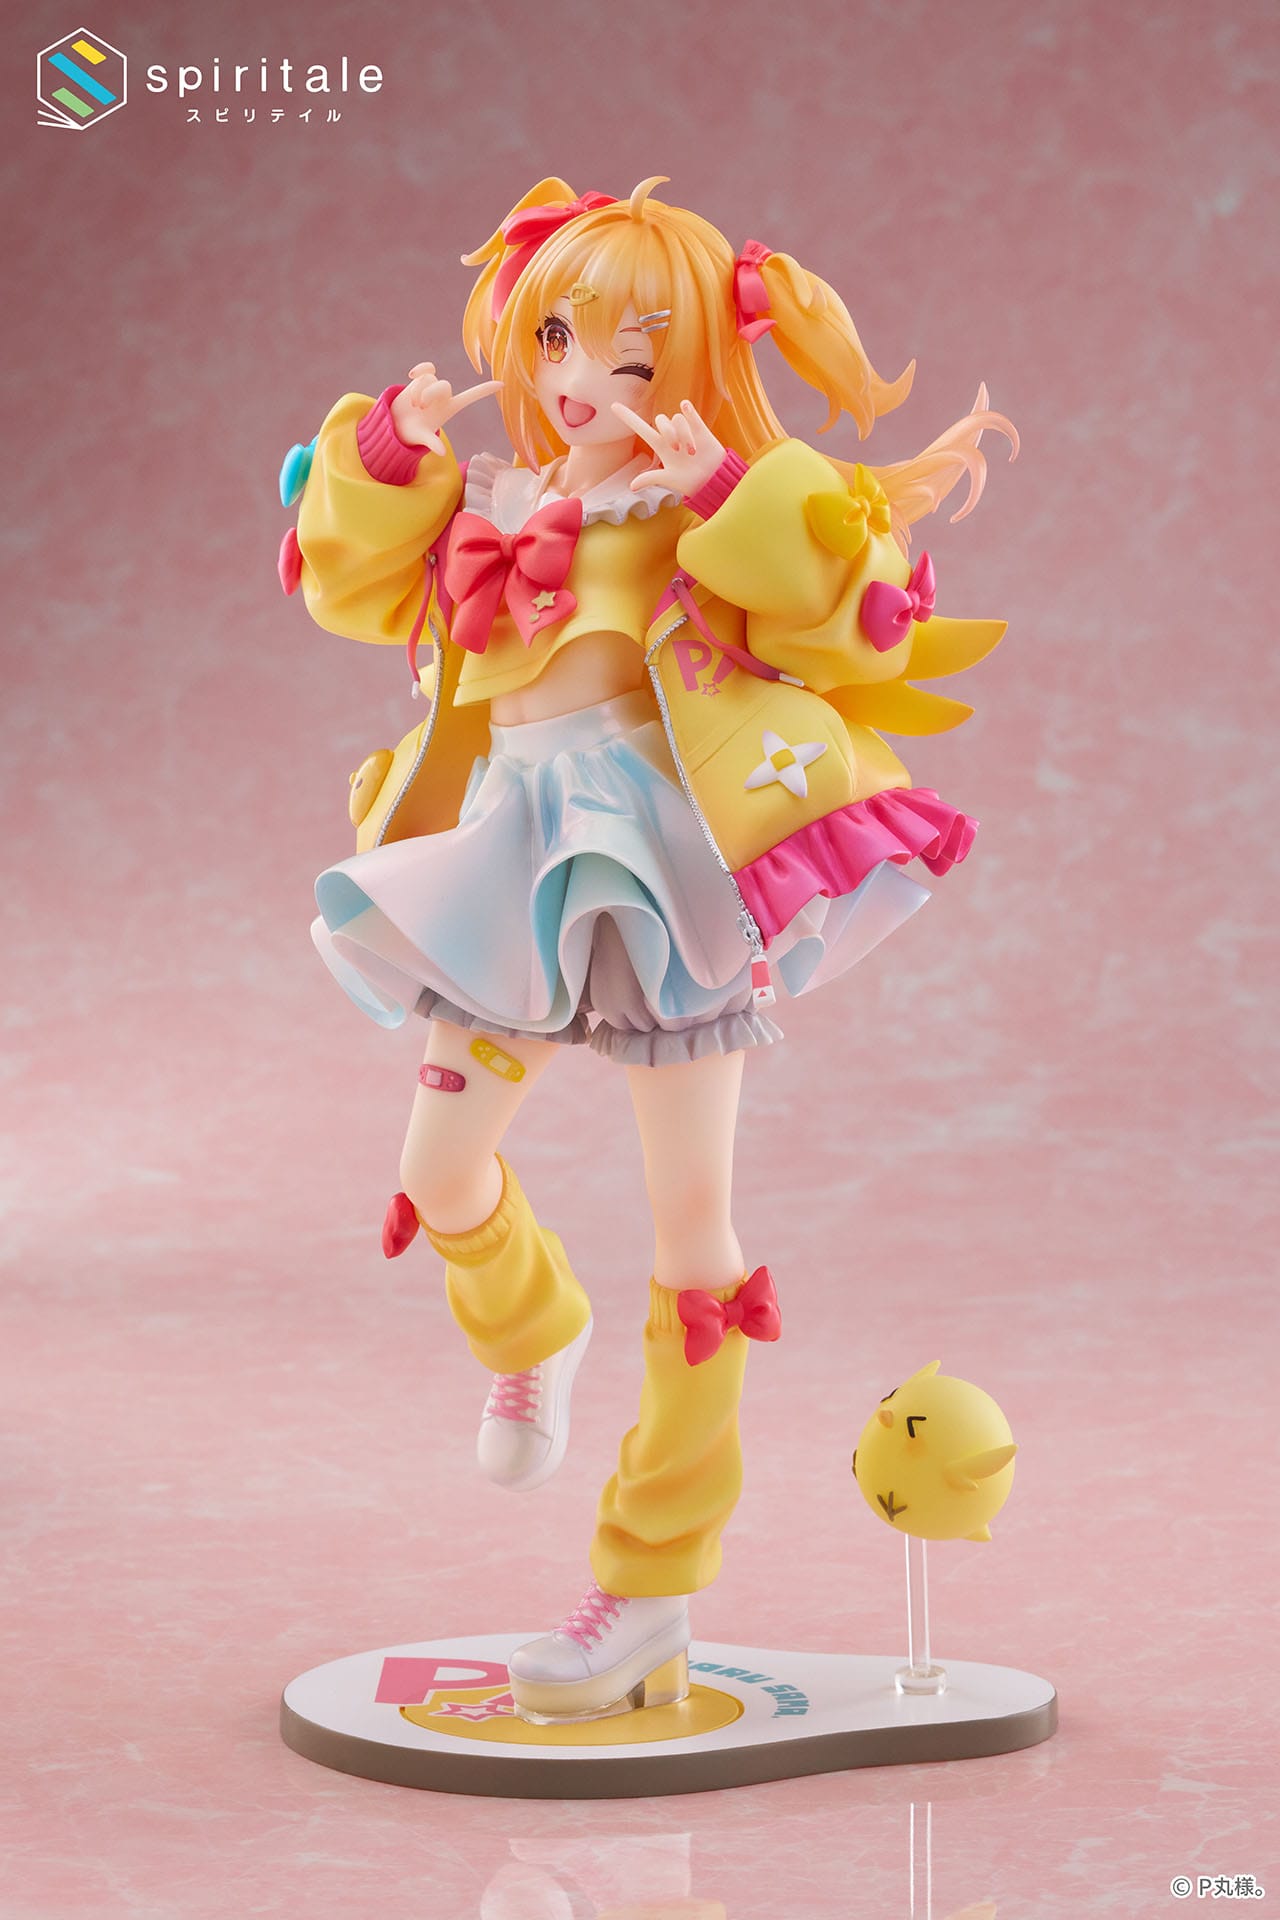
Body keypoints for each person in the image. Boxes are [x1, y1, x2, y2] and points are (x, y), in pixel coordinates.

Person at [283, 174, 1016, 1724]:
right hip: (508, 865)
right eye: (560, 340)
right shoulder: (498, 500)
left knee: (695, 1238)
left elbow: (850, 608)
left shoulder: (694, 504)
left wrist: (730, 490)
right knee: (441, 1172)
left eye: (634, 354)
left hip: (661, 876)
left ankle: (651, 1588)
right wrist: (391, 461)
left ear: (688, 366)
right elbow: (353, 591)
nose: (584, 381)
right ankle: (532, 1328)